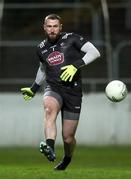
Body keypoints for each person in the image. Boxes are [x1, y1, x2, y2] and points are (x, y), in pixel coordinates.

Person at [21, 14, 100, 170]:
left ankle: (67, 158)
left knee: (68, 138)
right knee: (49, 109)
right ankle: (49, 146)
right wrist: (34, 88)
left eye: (55, 26)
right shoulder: (41, 48)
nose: (52, 29)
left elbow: (95, 52)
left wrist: (75, 65)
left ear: (60, 27)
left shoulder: (72, 38)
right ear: (44, 27)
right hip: (53, 87)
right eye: (49, 26)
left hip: (73, 91)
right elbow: (43, 69)